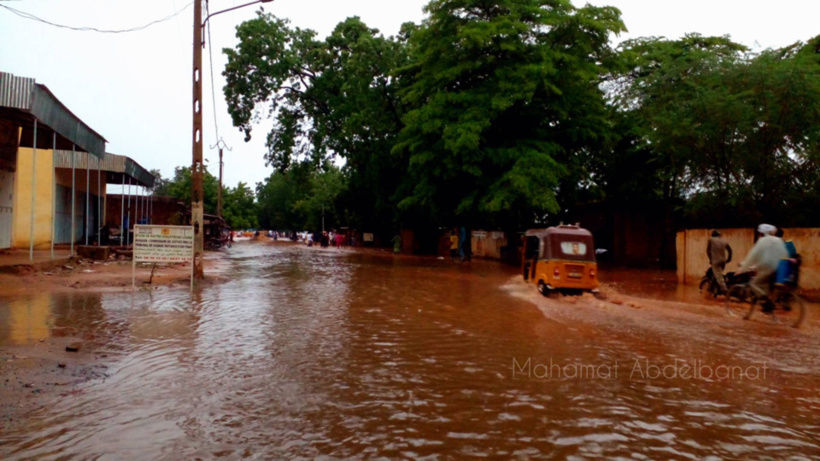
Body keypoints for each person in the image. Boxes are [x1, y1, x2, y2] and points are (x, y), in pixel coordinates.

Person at [737, 224, 788, 313]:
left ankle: (766, 301)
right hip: (780, 268)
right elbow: (784, 254)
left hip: (767, 268)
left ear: (762, 233)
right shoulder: (779, 240)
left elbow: (752, 256)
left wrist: (742, 267)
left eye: (759, 233)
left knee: (754, 284)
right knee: (766, 284)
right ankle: (768, 302)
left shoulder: (762, 241)